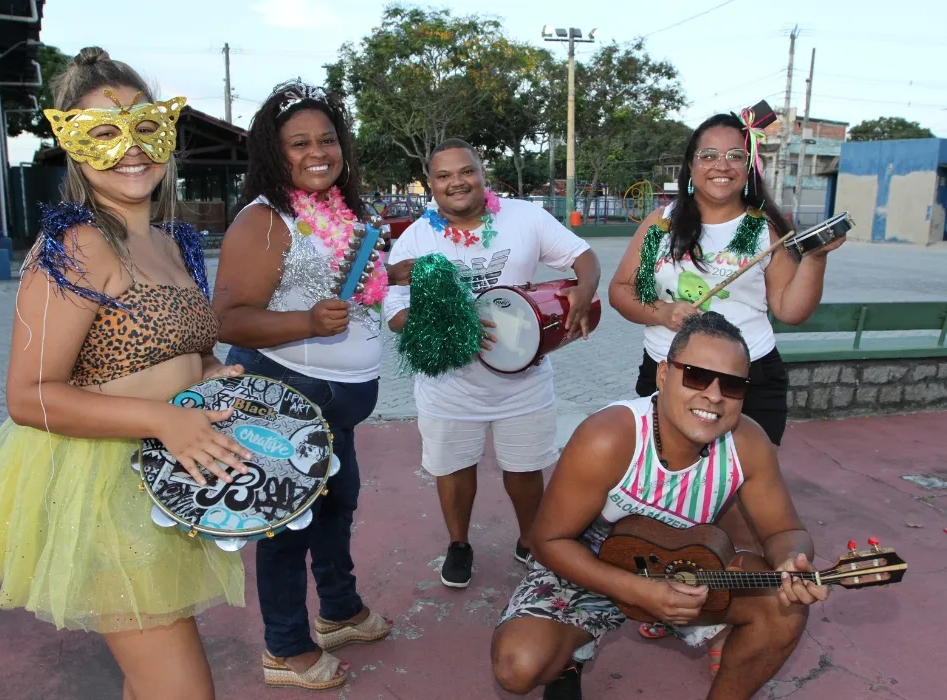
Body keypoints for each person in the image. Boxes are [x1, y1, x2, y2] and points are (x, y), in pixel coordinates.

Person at [0, 48, 248, 700]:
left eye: (144, 127)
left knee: (153, 682)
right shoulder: (78, 244)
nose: (132, 149)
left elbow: (184, 352)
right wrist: (163, 416)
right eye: (103, 132)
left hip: (169, 480)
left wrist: (213, 374)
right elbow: (28, 397)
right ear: (71, 144)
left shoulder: (175, 242)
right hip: (105, 492)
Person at [491, 312, 828, 700]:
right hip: (589, 566)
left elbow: (785, 532)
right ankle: (571, 654)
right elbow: (546, 540)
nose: (714, 395)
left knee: (783, 608)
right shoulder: (609, 437)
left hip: (682, 571)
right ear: (664, 374)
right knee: (517, 668)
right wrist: (638, 591)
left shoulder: (748, 445)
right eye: (697, 376)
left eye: (732, 385)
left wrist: (792, 561)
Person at [608, 107, 843, 659]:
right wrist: (660, 315)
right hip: (668, 375)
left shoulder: (765, 229)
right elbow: (621, 290)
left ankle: (737, 611)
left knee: (737, 499)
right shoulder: (662, 225)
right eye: (708, 154)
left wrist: (816, 261)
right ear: (690, 165)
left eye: (735, 155)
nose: (721, 165)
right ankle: (668, 590)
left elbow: (790, 308)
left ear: (749, 165)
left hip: (748, 377)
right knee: (669, 493)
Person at [212, 78, 407, 691]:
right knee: (286, 523)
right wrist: (305, 322)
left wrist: (394, 271)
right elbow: (227, 317)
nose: (317, 151)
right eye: (299, 143)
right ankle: (285, 647)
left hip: (336, 405)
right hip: (287, 394)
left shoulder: (340, 212)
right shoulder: (266, 220)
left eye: (327, 138)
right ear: (276, 154)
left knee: (336, 503)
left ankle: (340, 610)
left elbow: (354, 289)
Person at [383, 138, 601, 589]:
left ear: (483, 175)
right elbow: (393, 309)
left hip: (524, 380)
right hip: (449, 385)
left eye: (466, 171)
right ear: (431, 186)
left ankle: (531, 539)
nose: (456, 182)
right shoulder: (416, 238)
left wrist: (585, 287)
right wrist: (439, 328)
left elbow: (583, 257)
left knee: (525, 469)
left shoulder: (524, 216)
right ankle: (459, 544)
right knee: (453, 469)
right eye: (443, 176)